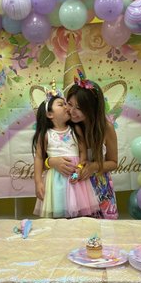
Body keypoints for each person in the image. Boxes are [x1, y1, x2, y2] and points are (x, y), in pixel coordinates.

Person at [48, 71, 119, 219]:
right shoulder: (65, 126)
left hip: (100, 189)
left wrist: (94, 166)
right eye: (69, 104)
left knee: (102, 234)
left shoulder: (106, 128)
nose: (72, 112)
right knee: (73, 233)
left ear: (92, 108)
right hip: (72, 190)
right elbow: (42, 156)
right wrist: (51, 161)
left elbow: (113, 163)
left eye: (79, 108)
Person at [32, 81, 100, 218]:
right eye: (61, 104)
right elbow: (39, 158)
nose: (66, 107)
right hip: (55, 180)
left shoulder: (76, 129)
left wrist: (80, 167)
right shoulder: (45, 135)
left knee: (80, 216)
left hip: (75, 178)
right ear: (50, 114)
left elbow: (82, 151)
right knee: (59, 216)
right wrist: (38, 181)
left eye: (66, 103)